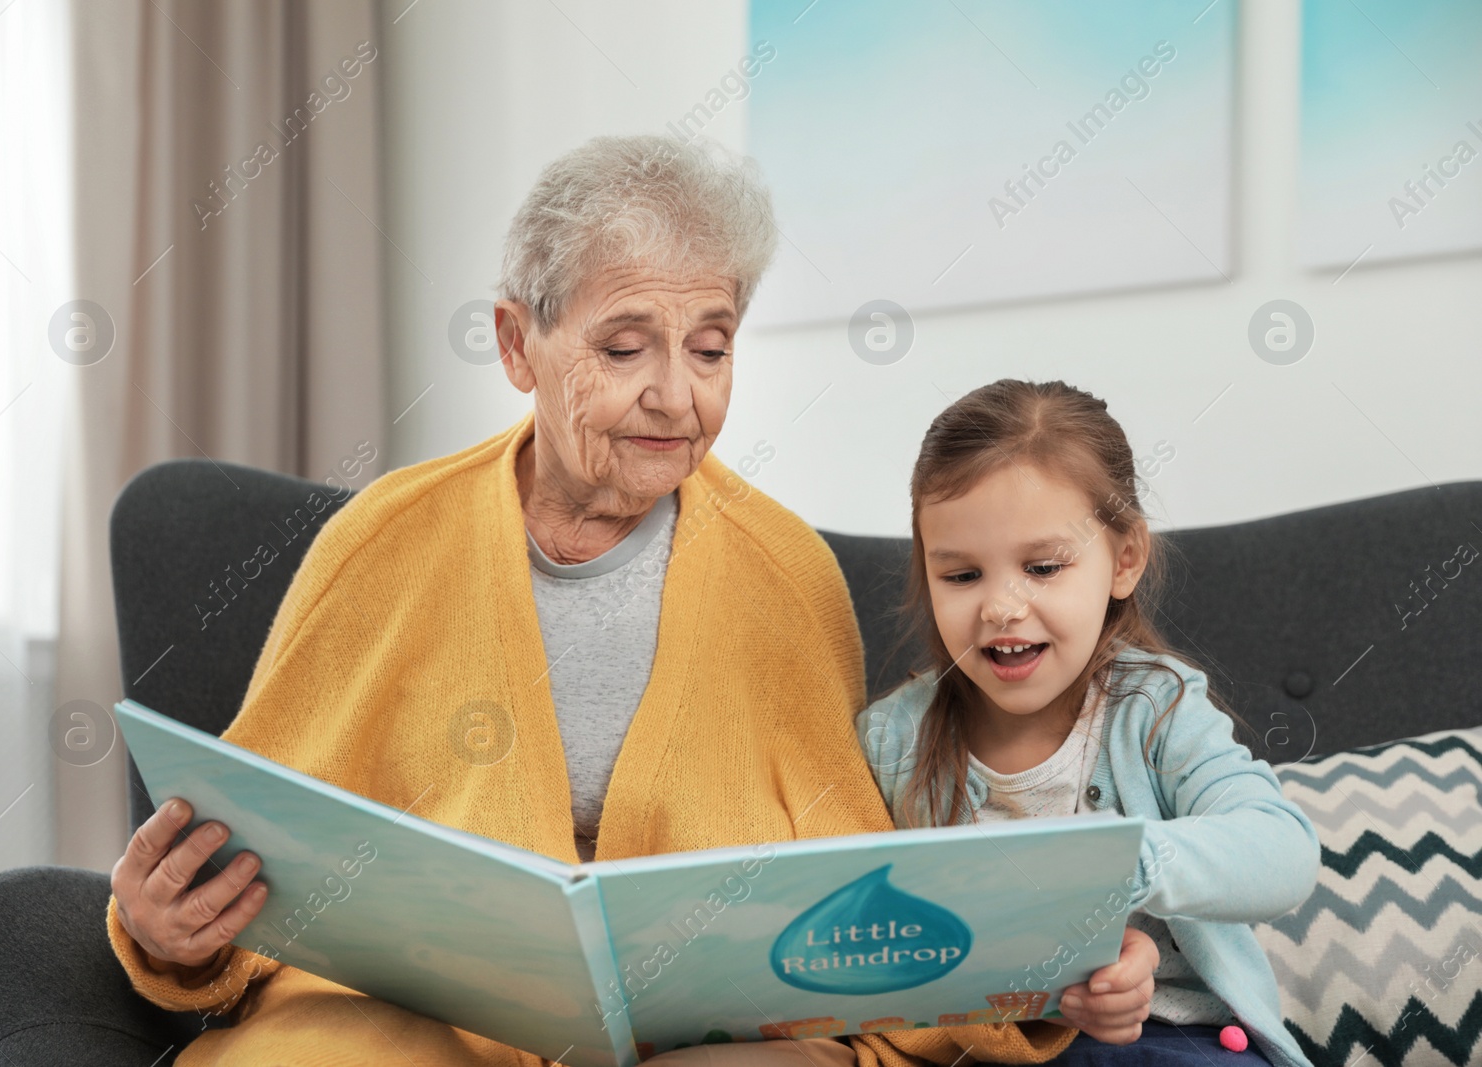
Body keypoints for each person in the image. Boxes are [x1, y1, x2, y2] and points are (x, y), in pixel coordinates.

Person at [101, 141, 1128, 1065]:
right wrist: (167, 926)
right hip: (411, 1019)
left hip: (700, 1031)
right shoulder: (381, 538)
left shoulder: (786, 571)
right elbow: (247, 844)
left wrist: (1028, 975)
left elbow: (850, 873)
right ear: (516, 344)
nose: (677, 395)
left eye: (712, 348)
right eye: (625, 347)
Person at [857, 379, 1320, 1067]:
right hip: (993, 1050)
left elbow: (1282, 851)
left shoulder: (1156, 710)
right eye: (961, 576)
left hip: (1175, 1040)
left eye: (1042, 567)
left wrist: (1119, 866)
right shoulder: (893, 738)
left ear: (1124, 559)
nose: (1001, 607)